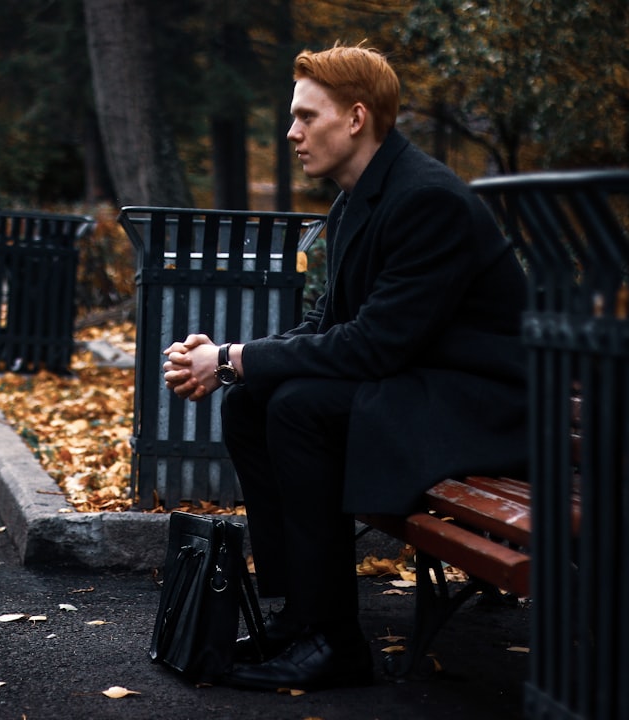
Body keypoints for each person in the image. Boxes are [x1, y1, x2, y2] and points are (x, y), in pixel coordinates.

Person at [162, 43, 527, 691]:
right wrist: (231, 365)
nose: (291, 132)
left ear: (356, 118)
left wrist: (233, 358)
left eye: (307, 116)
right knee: (252, 402)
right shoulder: (357, 199)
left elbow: (373, 347)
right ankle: (301, 617)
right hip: (420, 389)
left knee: (302, 409)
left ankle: (334, 641)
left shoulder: (426, 199)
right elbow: (329, 327)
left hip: (484, 410)